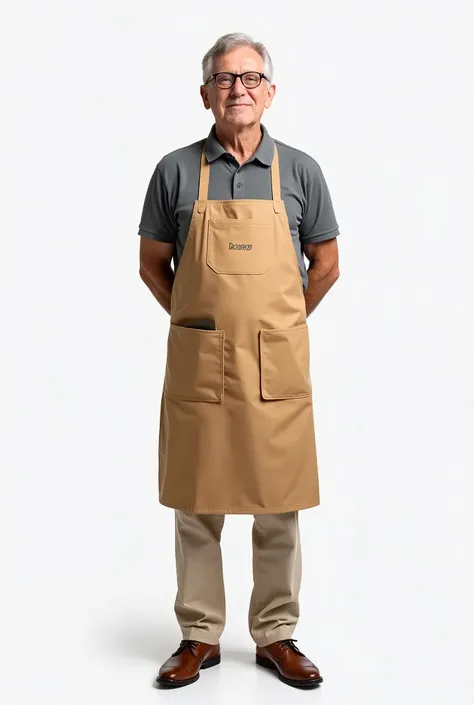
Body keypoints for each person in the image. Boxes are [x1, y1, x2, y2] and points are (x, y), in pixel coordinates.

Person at [138, 32, 340, 690]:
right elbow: (151, 263)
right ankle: (199, 634)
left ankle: (277, 633)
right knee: (198, 504)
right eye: (225, 80)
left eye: (251, 78)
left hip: (274, 364)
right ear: (205, 94)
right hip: (202, 363)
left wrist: (280, 323)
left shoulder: (301, 171)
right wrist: (196, 321)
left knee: (278, 502)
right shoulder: (174, 170)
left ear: (271, 92)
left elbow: (327, 264)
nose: (239, 89)